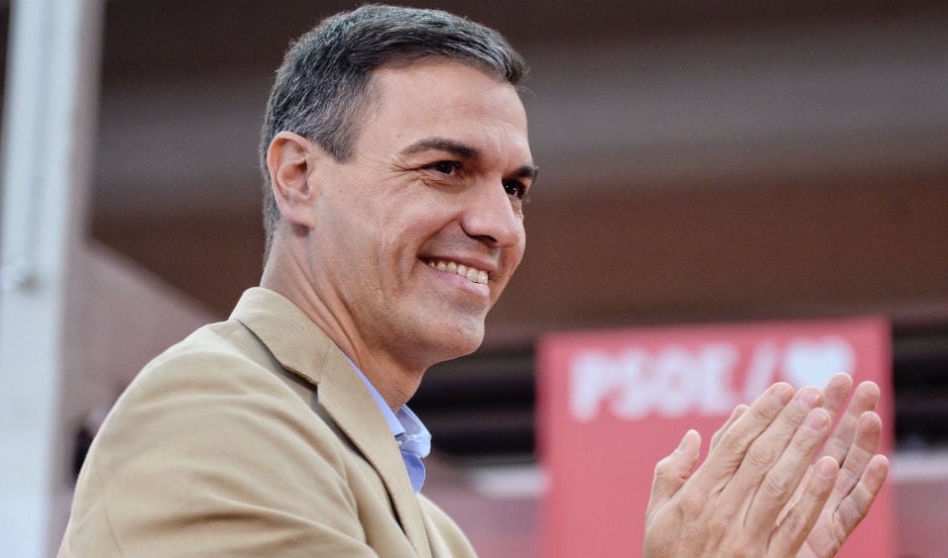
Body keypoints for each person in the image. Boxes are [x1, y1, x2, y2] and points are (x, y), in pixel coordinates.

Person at [57, 5, 889, 557]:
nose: (499, 224)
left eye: (515, 187)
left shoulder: (436, 532)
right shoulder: (210, 415)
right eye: (447, 168)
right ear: (299, 178)